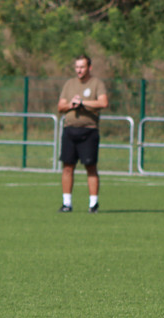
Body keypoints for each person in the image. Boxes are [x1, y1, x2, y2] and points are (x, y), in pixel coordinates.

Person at [57, 54, 108, 213]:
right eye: (77, 67)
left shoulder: (96, 84)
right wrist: (71, 105)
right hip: (70, 130)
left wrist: (83, 103)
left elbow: (103, 103)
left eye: (82, 67)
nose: (79, 70)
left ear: (89, 68)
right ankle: (67, 203)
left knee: (90, 167)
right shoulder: (69, 84)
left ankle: (93, 204)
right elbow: (60, 107)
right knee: (67, 168)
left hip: (89, 131)